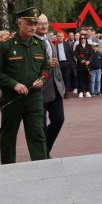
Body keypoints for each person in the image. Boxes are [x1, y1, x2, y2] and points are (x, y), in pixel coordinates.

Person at [0, 7, 48, 164]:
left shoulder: (39, 45)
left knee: (38, 134)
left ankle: (41, 167)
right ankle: (8, 169)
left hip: (34, 98)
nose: (33, 27)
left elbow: (46, 68)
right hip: (12, 99)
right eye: (29, 23)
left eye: (35, 23)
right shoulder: (6, 46)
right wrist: (13, 84)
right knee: (8, 136)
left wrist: (42, 79)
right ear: (19, 22)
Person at [35, 14, 65, 158]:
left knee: (59, 118)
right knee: (40, 125)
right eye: (40, 23)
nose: (44, 26)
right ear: (34, 25)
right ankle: (43, 153)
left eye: (46, 23)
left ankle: (44, 149)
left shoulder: (49, 40)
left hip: (55, 88)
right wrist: (45, 64)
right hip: (39, 90)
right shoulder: (31, 42)